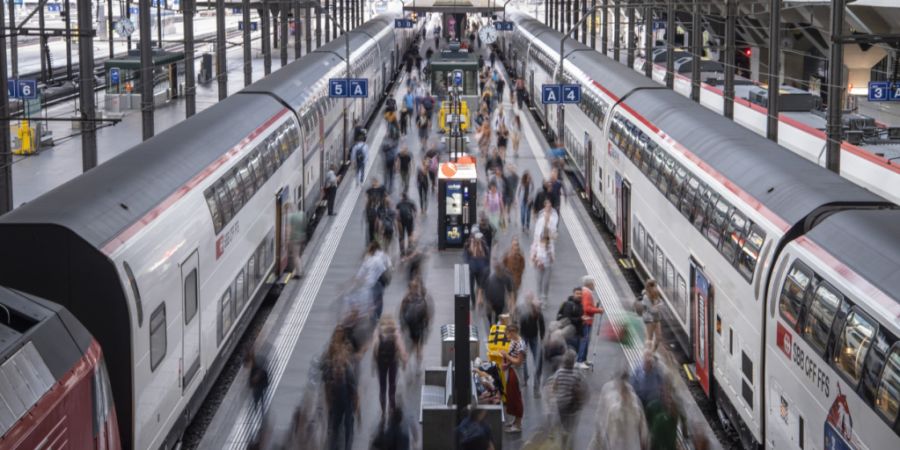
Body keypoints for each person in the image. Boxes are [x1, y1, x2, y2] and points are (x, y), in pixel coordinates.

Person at [322, 329, 358, 450]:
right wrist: (328, 402)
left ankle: (347, 446)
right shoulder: (329, 369)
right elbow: (326, 386)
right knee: (335, 426)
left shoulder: (349, 371)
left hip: (347, 401)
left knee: (348, 425)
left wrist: (356, 407)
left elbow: (354, 391)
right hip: (336, 401)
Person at [548, 350, 589, 449]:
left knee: (562, 421)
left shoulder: (559, 372)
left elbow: (554, 387)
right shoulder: (576, 375)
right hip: (571, 405)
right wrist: (581, 402)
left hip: (560, 403)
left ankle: (563, 433)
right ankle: (568, 435)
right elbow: (579, 390)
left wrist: (554, 395)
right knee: (571, 423)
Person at [372, 314, 408, 417]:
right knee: (392, 386)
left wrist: (375, 362)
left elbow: (375, 347)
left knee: (382, 387)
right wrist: (404, 360)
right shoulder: (395, 331)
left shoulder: (378, 331)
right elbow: (401, 347)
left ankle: (383, 411)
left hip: (381, 362)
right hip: (393, 361)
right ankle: (391, 408)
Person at [517, 294, 545, 393]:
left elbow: (542, 327)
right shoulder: (525, 316)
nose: (537, 313)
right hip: (524, 336)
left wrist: (541, 338)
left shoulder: (539, 315)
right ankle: (525, 378)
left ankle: (536, 382)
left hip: (534, 337)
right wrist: (520, 341)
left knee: (538, 357)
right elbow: (520, 328)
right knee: (523, 358)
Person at [399, 278, 431, 364]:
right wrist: (426, 326)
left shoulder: (406, 299)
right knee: (417, 344)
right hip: (419, 326)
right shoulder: (421, 299)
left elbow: (401, 312)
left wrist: (402, 325)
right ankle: (417, 357)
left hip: (412, 326)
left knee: (415, 343)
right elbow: (426, 314)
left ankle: (411, 357)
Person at [358, 241, 392, 318]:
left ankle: (372, 314)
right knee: (379, 297)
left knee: (372, 297)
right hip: (382, 280)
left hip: (373, 281)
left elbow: (363, 270)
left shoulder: (369, 257)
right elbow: (389, 266)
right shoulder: (383, 254)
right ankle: (377, 315)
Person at [501, 323, 526, 433]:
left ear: (512, 332)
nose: (507, 336)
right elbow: (513, 358)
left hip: (517, 372)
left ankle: (518, 423)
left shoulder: (520, 345)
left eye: (508, 333)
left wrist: (506, 356)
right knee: (511, 395)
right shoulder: (513, 342)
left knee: (516, 397)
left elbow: (518, 361)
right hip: (512, 370)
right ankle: (515, 421)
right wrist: (507, 364)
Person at [577, 276, 605, 369]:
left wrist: (595, 307)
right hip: (586, 320)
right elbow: (587, 308)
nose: (595, 285)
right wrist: (599, 310)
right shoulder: (587, 293)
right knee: (584, 340)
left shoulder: (584, 292)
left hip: (586, 319)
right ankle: (580, 361)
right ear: (589, 284)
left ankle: (584, 359)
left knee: (586, 340)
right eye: (593, 283)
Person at [483, 262, 513, 329]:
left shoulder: (506, 277)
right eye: (498, 270)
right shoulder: (491, 278)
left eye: (500, 270)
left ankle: (496, 325)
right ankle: (490, 323)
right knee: (489, 313)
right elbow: (486, 291)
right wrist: (488, 302)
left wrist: (510, 300)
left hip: (500, 301)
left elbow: (510, 289)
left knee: (498, 314)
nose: (500, 272)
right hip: (491, 300)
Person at [464, 232, 490, 307]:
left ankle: (481, 300)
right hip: (472, 269)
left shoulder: (484, 245)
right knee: (471, 287)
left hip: (481, 269)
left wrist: (486, 266)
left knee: (480, 286)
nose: (478, 240)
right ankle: (474, 303)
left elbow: (487, 257)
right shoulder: (468, 244)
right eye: (476, 238)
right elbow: (465, 256)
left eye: (479, 239)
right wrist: (469, 264)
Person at [530, 231, 555, 303]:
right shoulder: (536, 245)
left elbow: (552, 260)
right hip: (538, 267)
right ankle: (539, 298)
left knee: (546, 282)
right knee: (539, 282)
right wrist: (537, 261)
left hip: (547, 267)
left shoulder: (550, 246)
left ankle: (545, 296)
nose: (543, 241)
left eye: (545, 240)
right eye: (542, 239)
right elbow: (532, 257)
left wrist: (549, 253)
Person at [641, 279, 664, 350]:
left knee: (659, 337)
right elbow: (652, 310)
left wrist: (657, 306)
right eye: (654, 286)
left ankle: (652, 352)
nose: (656, 288)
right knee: (650, 338)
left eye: (655, 286)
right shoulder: (646, 297)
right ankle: (647, 353)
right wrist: (657, 306)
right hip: (649, 319)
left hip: (656, 318)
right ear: (649, 287)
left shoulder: (656, 294)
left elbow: (662, 303)